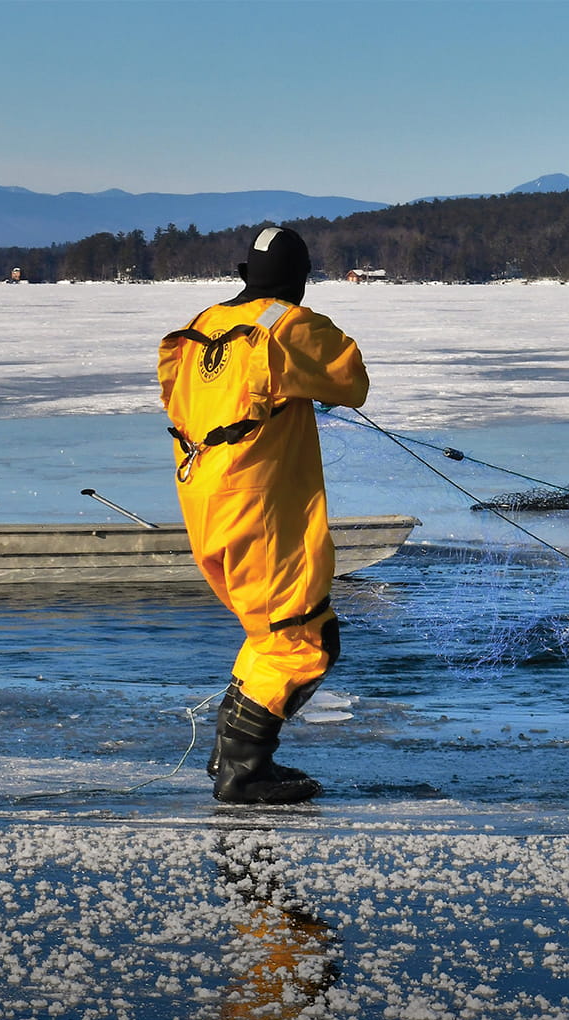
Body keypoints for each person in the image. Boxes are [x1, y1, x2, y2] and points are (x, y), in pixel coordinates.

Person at [157, 226, 369, 804]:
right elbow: (353, 381)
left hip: (204, 502)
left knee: (269, 632)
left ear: (244, 272)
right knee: (306, 640)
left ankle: (231, 757)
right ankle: (242, 771)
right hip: (264, 508)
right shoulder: (290, 326)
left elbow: (182, 399)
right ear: (300, 279)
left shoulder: (201, 325)